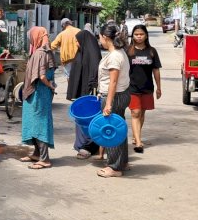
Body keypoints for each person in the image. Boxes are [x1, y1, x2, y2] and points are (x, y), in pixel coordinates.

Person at [96, 23, 131, 178]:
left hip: (115, 97)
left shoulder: (115, 56)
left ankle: (114, 167)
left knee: (111, 131)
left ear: (105, 37)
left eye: (99, 37)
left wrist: (108, 104)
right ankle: (122, 162)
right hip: (120, 95)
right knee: (119, 128)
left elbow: (113, 82)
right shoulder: (119, 52)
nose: (99, 40)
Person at [20, 26, 56, 170]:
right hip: (39, 93)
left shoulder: (40, 53)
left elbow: (41, 76)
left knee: (39, 124)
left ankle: (44, 159)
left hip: (38, 94)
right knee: (33, 122)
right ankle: (36, 153)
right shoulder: (46, 51)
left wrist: (49, 85)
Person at [67, 30, 102, 159]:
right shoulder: (81, 52)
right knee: (80, 118)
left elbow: (94, 73)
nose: (76, 43)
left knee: (88, 119)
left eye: (77, 40)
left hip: (89, 93)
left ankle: (89, 146)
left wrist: (92, 88)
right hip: (81, 92)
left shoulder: (93, 55)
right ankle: (81, 144)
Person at [127, 25, 162, 153]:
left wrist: (159, 88)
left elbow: (156, 70)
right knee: (135, 112)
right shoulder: (128, 50)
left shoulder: (152, 51)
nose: (139, 36)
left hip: (147, 88)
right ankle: (138, 142)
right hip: (132, 88)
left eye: (141, 34)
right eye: (136, 34)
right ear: (133, 36)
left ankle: (136, 135)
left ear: (146, 35)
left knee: (141, 113)